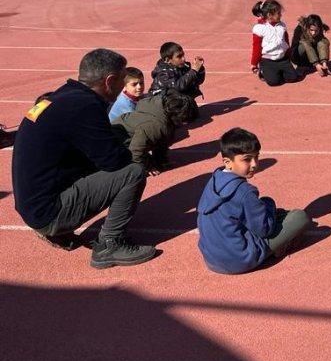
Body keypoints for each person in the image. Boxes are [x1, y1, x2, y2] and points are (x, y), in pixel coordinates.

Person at [11, 48, 156, 268]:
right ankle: (110, 244)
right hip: (47, 211)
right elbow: (114, 162)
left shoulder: (62, 96)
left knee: (107, 145)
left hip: (32, 205)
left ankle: (58, 230)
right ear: (109, 80)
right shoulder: (85, 106)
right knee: (132, 172)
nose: (122, 86)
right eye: (122, 79)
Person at [198, 127, 311, 274]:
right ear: (227, 162)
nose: (254, 164)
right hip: (239, 260)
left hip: (212, 259)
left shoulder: (213, 181)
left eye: (256, 157)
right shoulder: (244, 192)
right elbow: (265, 229)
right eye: (247, 159)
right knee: (299, 217)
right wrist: (268, 202)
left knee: (277, 214)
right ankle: (278, 249)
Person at [112, 90, 198, 175]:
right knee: (136, 175)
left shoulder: (160, 105)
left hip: (121, 135)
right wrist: (147, 166)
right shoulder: (157, 125)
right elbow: (135, 151)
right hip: (116, 145)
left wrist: (160, 160)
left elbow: (161, 140)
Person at [251, 0, 299, 86]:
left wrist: (289, 55)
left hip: (282, 59)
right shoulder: (259, 28)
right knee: (274, 82)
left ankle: (278, 71)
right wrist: (254, 63)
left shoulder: (282, 25)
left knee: (292, 78)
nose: (281, 15)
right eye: (278, 13)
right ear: (269, 15)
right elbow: (256, 47)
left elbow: (286, 41)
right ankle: (263, 71)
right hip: (268, 61)